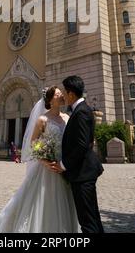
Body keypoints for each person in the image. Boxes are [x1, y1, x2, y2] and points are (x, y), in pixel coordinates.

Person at [0, 86, 79, 233]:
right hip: (47, 168)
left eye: (62, 93)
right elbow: (33, 144)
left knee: (65, 203)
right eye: (58, 94)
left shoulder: (68, 117)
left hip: (63, 166)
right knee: (43, 201)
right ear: (49, 100)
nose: (62, 95)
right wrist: (45, 160)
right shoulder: (42, 119)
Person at [50, 76, 104, 234]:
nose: (63, 97)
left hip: (83, 174)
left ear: (71, 94)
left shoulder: (81, 113)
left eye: (65, 93)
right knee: (92, 217)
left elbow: (81, 145)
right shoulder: (82, 110)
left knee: (87, 221)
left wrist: (63, 165)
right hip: (83, 173)